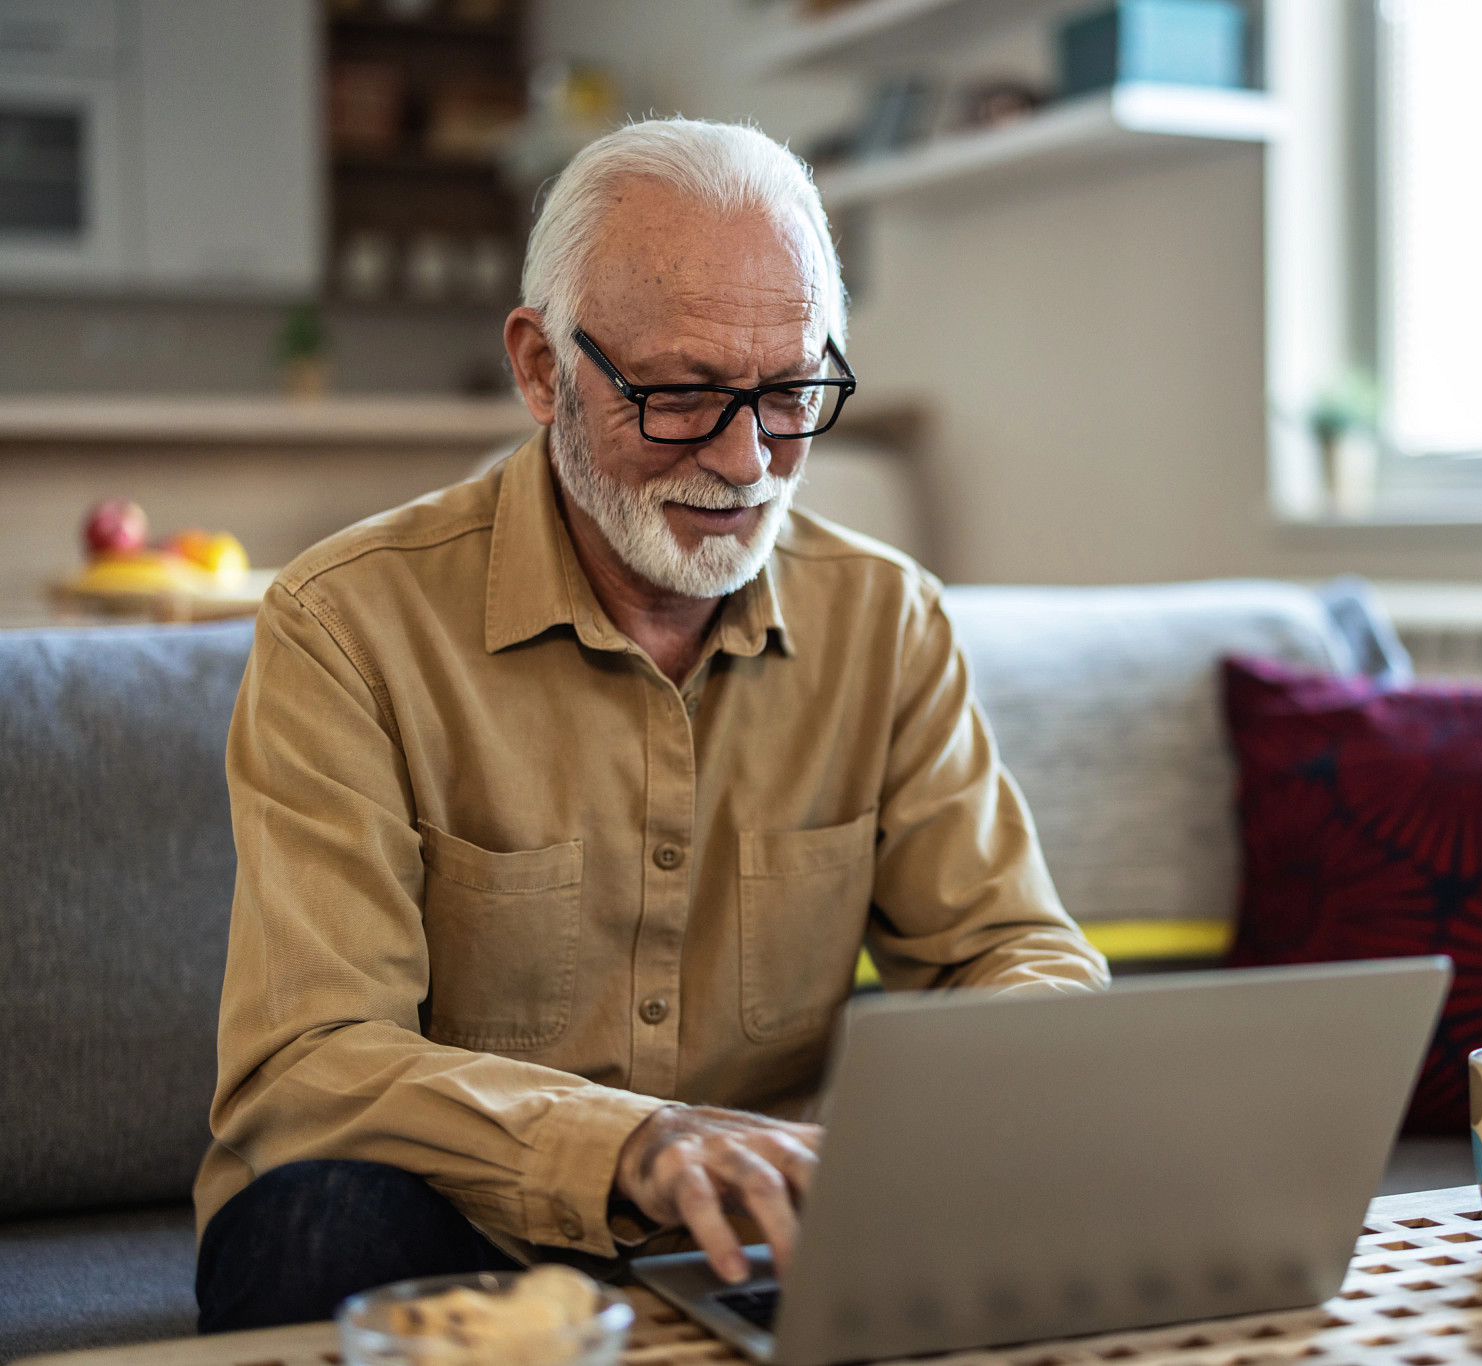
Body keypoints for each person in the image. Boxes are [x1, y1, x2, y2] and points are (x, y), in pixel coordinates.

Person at [194, 117, 1108, 1332]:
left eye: (789, 393)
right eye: (679, 395)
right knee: (316, 1219)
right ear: (539, 368)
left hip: (772, 1229)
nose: (745, 460)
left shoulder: (886, 619)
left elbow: (1023, 955)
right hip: (470, 1229)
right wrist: (635, 1144)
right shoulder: (345, 625)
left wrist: (898, 1142)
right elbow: (305, 1062)